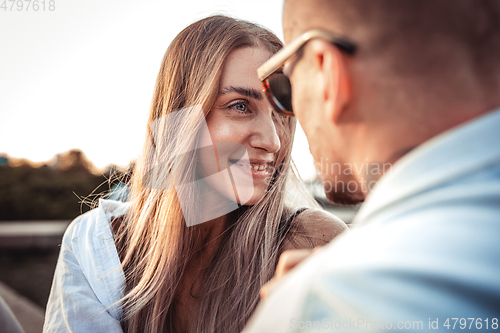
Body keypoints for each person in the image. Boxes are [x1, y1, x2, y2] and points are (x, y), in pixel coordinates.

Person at [43, 15, 347, 333]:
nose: (272, 140)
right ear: (180, 116)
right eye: (241, 106)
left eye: (281, 113)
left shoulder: (313, 242)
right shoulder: (100, 242)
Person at [244, 0, 500, 332]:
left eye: (284, 87)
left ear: (326, 71)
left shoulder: (329, 303)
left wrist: (305, 304)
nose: (279, 136)